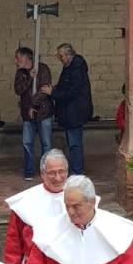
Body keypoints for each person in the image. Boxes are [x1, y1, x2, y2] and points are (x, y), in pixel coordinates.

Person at [3, 148, 68, 264]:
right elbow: (14, 245)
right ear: (43, 174)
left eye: (61, 172)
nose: (58, 177)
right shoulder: (24, 202)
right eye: (52, 173)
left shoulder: (79, 198)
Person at [42, 43, 93, 175]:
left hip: (75, 112)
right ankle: (76, 169)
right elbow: (65, 86)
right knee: (73, 142)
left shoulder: (76, 69)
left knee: (74, 143)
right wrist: (55, 89)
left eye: (61, 56)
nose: (60, 58)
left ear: (69, 55)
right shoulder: (69, 67)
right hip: (70, 111)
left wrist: (53, 93)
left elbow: (72, 92)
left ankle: (77, 171)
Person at [13, 46, 54, 180]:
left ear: (26, 58)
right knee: (27, 143)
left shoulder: (43, 69)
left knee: (46, 143)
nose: (16, 61)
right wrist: (29, 78)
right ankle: (29, 170)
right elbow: (18, 90)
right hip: (27, 115)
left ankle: (46, 171)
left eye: (18, 58)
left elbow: (44, 90)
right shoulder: (20, 73)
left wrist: (33, 105)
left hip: (43, 112)